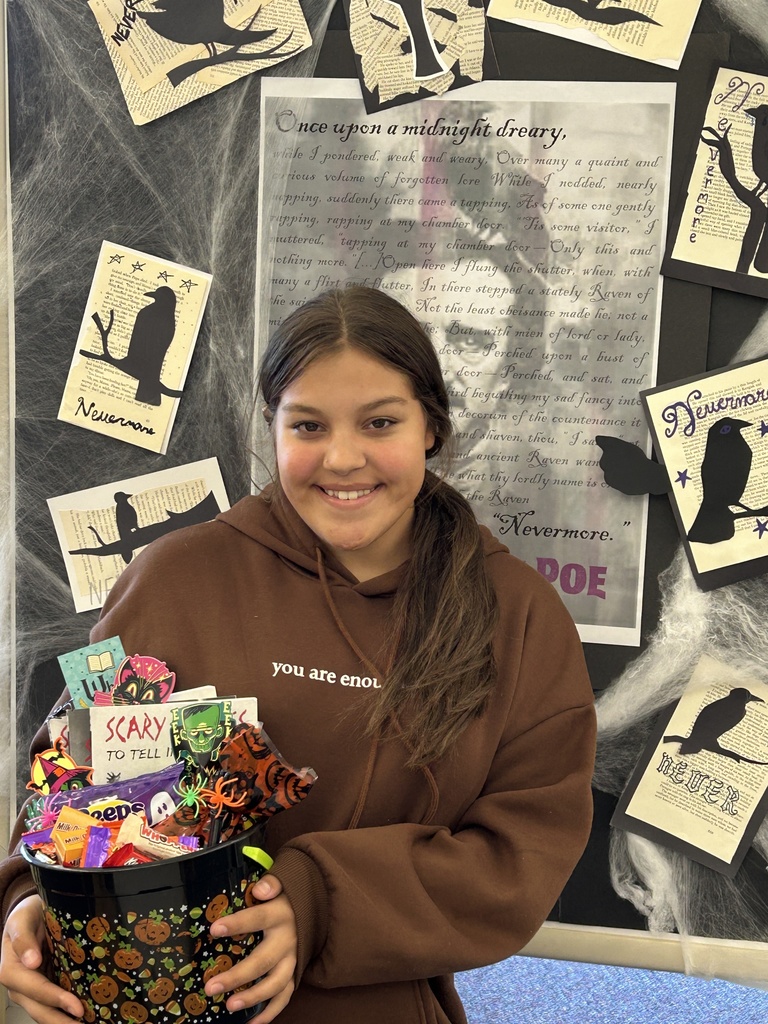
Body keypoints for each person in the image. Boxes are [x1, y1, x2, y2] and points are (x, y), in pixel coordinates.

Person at [0, 286, 596, 1024]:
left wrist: (315, 899)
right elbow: (70, 789)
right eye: (308, 425)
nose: (343, 458)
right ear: (272, 427)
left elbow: (519, 857)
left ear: (432, 427)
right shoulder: (174, 581)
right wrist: (31, 902)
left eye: (380, 422)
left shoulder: (519, 616)